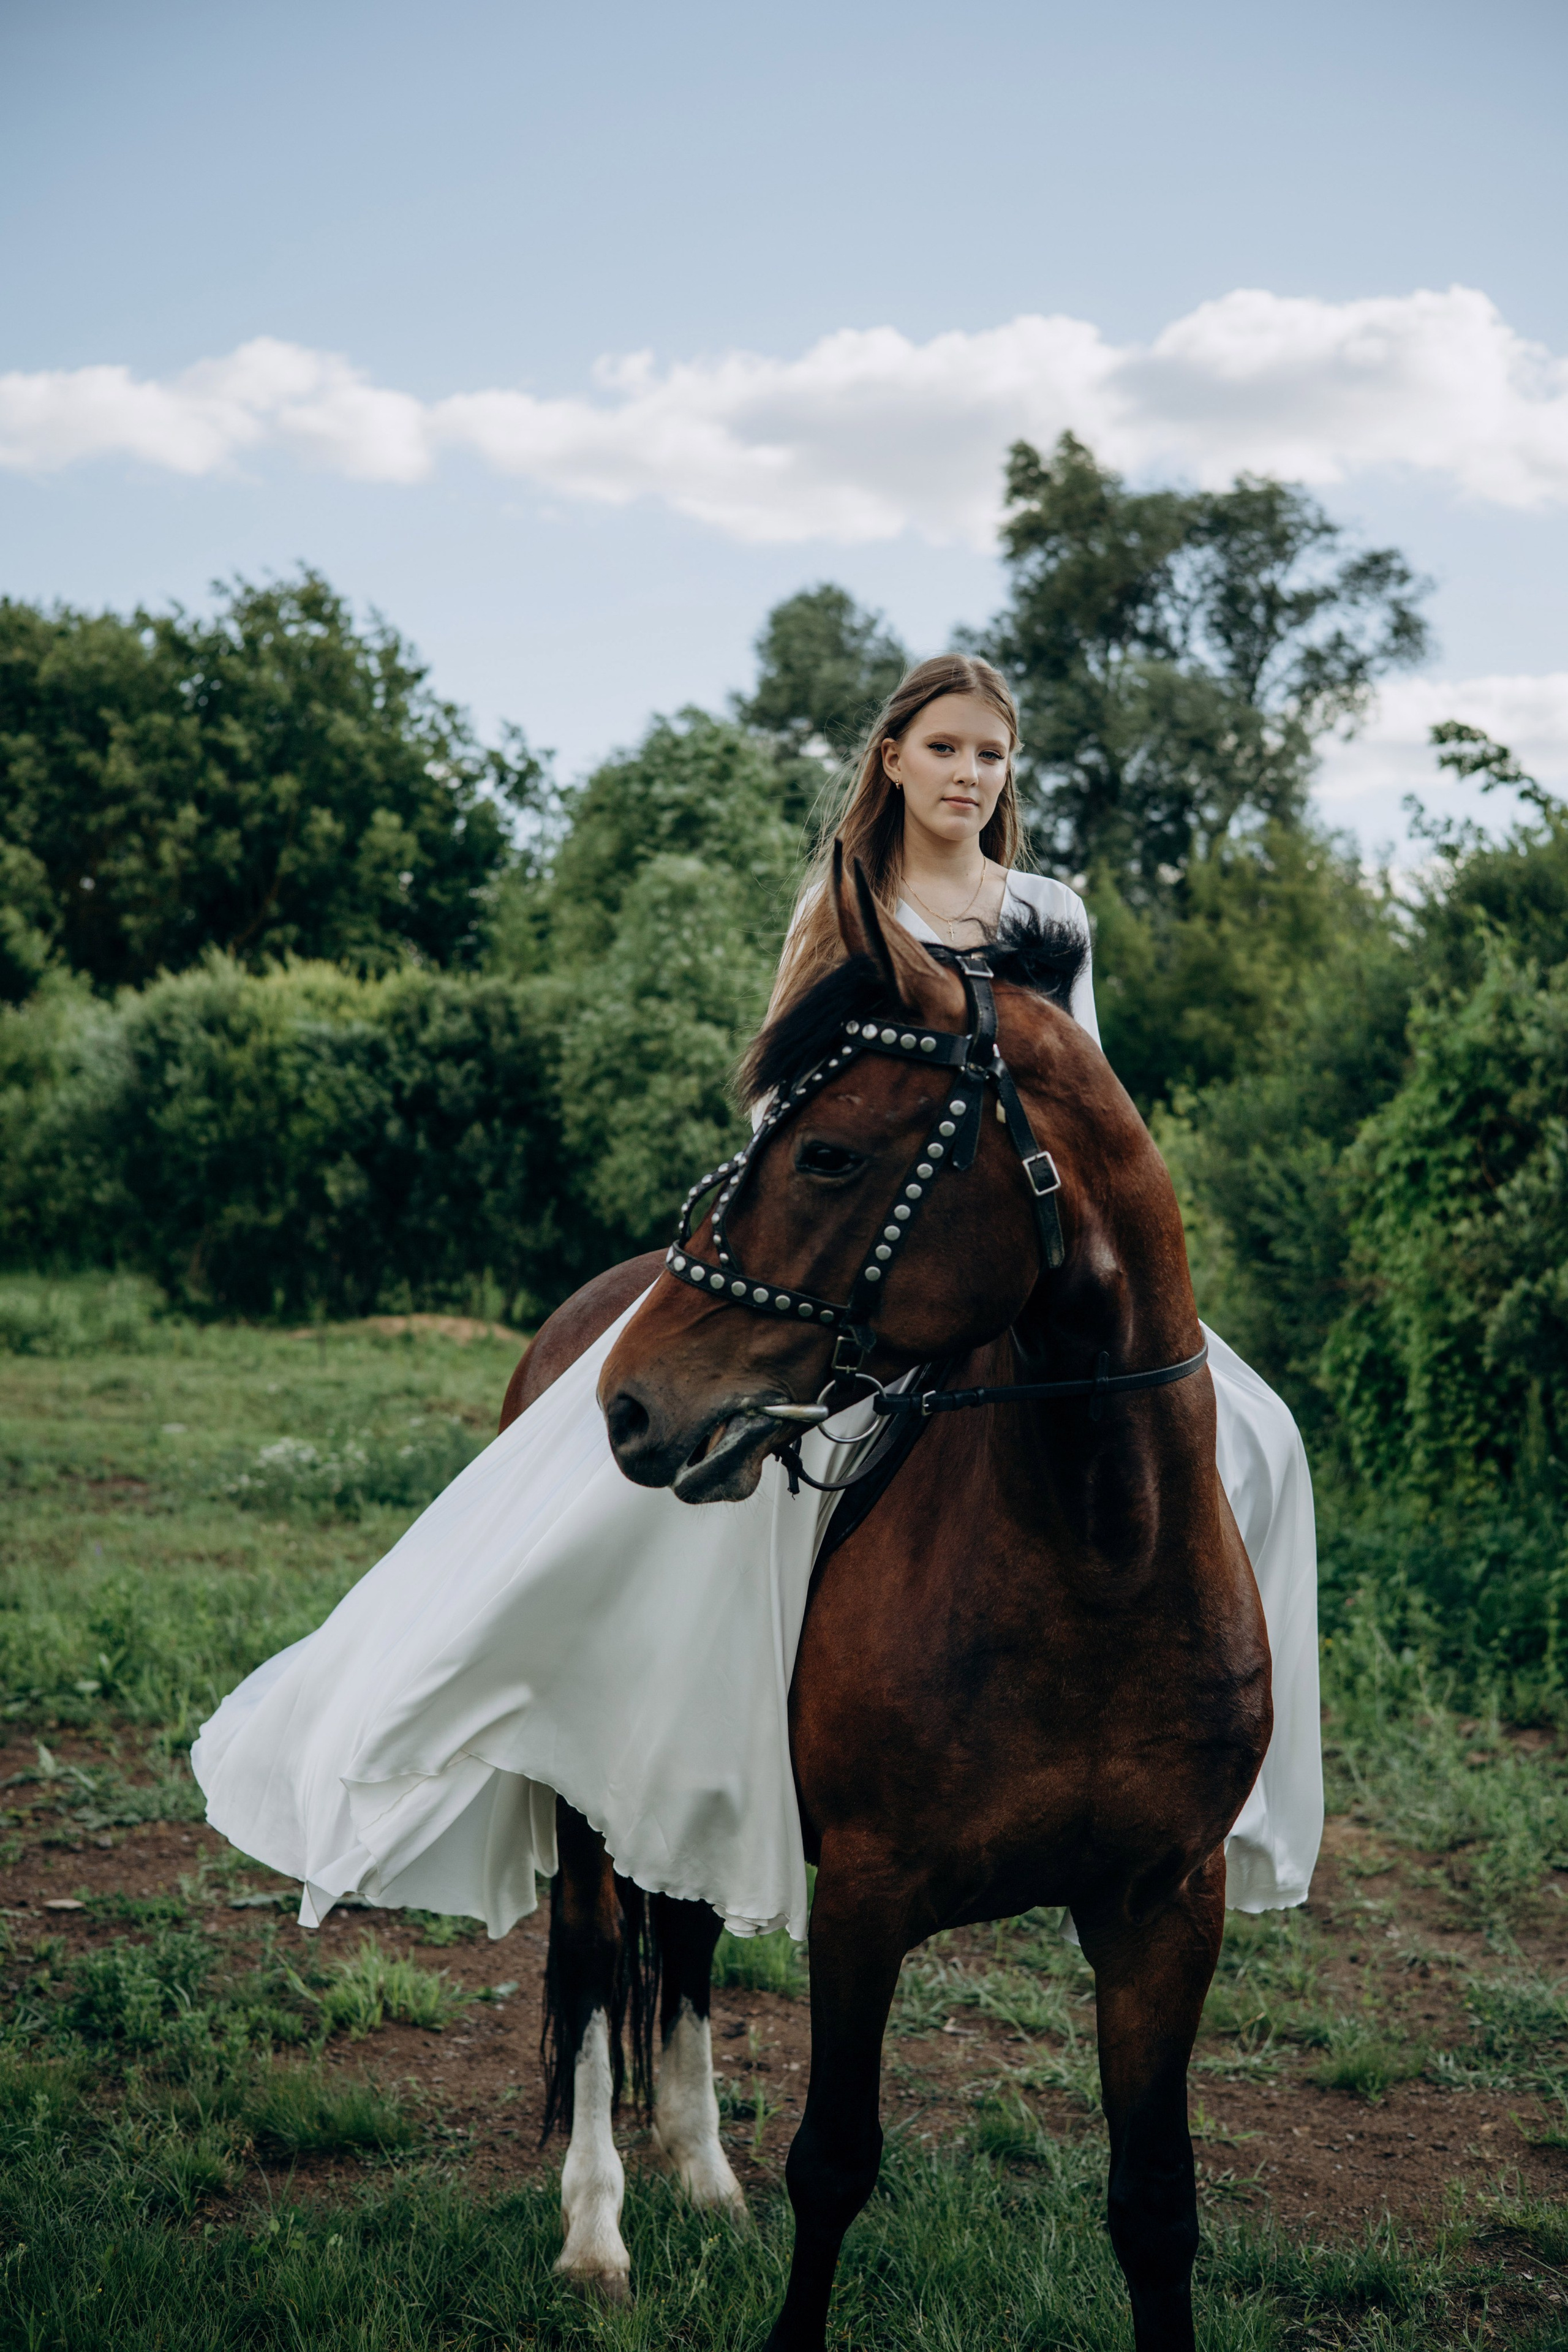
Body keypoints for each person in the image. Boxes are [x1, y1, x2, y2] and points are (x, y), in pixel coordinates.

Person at [192, 655, 1322, 1947]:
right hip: (869, 1249)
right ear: (890, 757)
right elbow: (784, 1107)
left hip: (1028, 1252)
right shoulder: (845, 909)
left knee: (1262, 1434)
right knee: (732, 1509)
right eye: (944, 748)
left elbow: (1087, 1088)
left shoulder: (1051, 916)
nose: (968, 774)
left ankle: (1225, 1773)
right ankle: (691, 1739)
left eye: (991, 755)